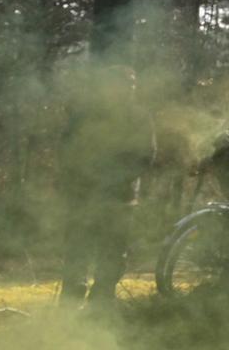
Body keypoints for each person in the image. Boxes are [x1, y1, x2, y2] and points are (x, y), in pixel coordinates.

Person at [58, 62, 155, 306]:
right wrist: (76, 179)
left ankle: (100, 302)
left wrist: (117, 178)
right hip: (85, 194)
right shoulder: (84, 115)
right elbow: (67, 151)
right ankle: (72, 300)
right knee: (78, 250)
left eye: (130, 85)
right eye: (121, 85)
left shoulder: (139, 117)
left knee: (112, 252)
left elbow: (145, 156)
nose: (126, 90)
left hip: (119, 197)